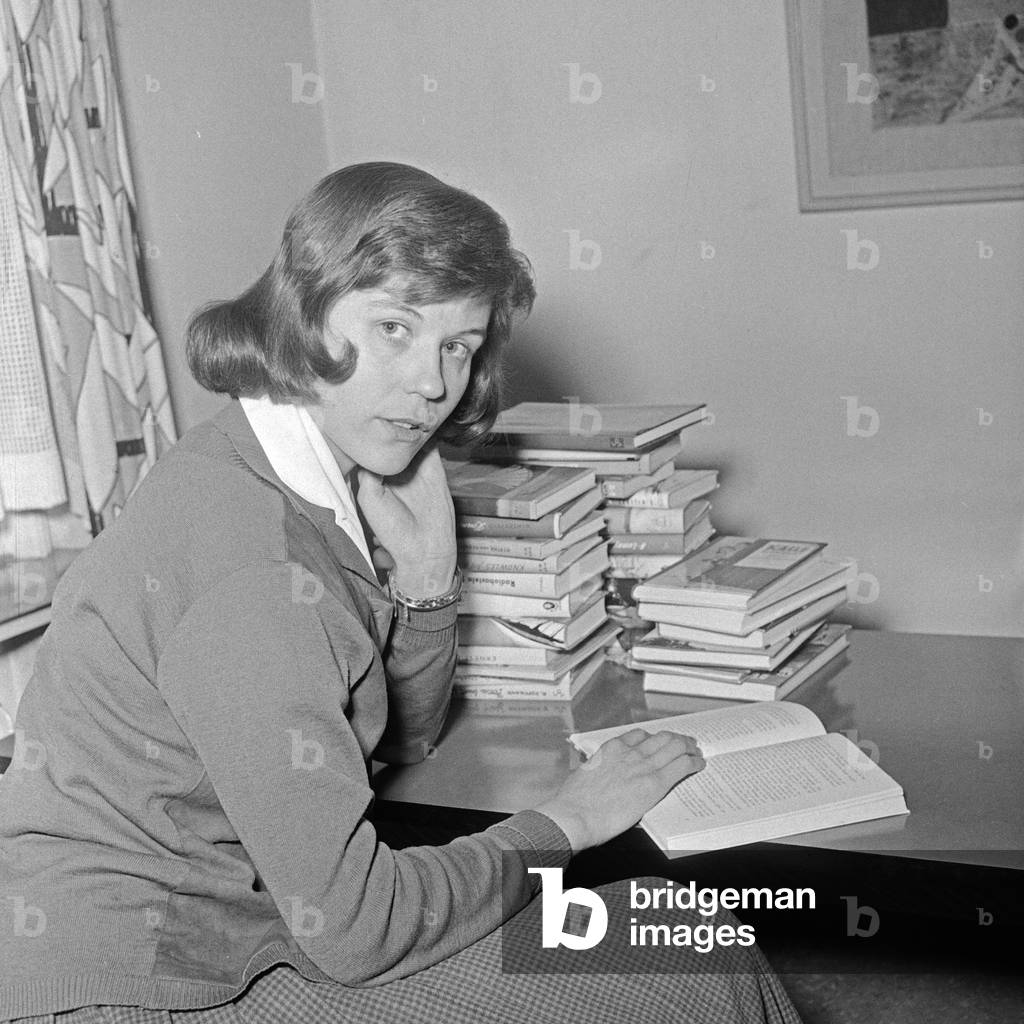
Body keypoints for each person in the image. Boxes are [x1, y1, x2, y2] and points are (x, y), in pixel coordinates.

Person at [0, 162, 803, 1022]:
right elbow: (359, 930)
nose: (433, 384)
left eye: (458, 345)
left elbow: (396, 740)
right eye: (395, 328)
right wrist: (568, 821)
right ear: (302, 314)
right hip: (137, 986)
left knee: (676, 937)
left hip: (225, 929)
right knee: (677, 948)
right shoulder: (254, 564)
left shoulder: (264, 462)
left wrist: (424, 583)